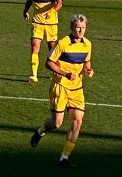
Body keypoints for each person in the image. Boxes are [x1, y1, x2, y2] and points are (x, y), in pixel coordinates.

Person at [30, 14, 94, 167]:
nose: (80, 31)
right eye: (78, 27)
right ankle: (41, 130)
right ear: (72, 27)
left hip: (77, 89)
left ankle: (64, 158)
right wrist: (65, 74)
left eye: (83, 28)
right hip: (60, 86)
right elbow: (48, 63)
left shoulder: (87, 44)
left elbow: (87, 62)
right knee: (56, 123)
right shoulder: (62, 43)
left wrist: (88, 70)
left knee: (77, 120)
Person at [23, 0, 63, 82]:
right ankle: (33, 75)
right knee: (35, 46)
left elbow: (59, 2)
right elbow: (29, 1)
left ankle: (55, 71)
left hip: (51, 23)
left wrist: (52, 12)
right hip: (37, 22)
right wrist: (25, 11)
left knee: (52, 48)